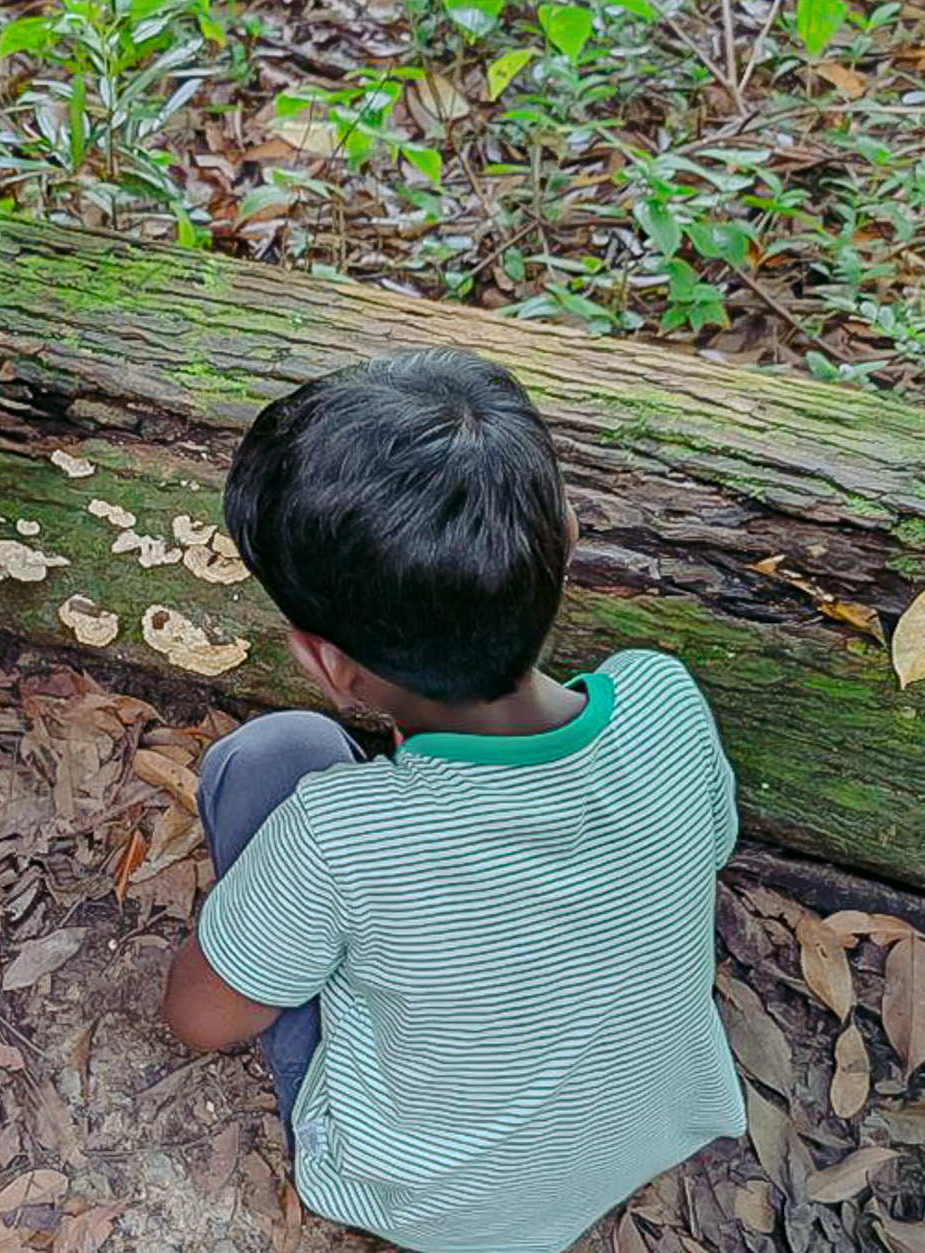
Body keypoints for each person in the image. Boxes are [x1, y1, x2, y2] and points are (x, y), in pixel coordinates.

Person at [159, 349, 745, 1253]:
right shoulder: (663, 697)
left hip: (434, 1205)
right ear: (569, 536)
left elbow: (201, 1021)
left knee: (274, 758)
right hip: (651, 1127)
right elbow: (708, 845)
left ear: (328, 664)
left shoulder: (336, 835)